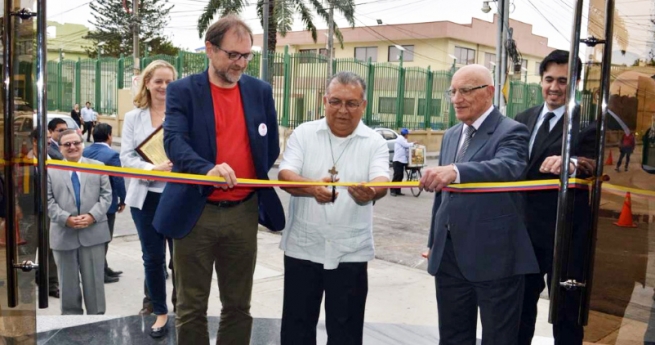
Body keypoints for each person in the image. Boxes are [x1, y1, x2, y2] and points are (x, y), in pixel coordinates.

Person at [152, 15, 284, 344]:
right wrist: (205, 168)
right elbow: (174, 141)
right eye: (233, 55)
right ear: (210, 49)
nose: (240, 63)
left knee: (238, 305)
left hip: (243, 212)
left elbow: (270, 148)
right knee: (191, 305)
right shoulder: (183, 91)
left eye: (246, 55)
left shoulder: (260, 91)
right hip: (195, 211)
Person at [421, 64, 538, 344]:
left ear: (489, 92)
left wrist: (457, 171)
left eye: (465, 91)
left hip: (495, 258)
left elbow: (508, 166)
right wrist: (433, 242)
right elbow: (442, 195)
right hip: (449, 255)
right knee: (453, 335)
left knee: (498, 337)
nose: (456, 99)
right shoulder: (451, 135)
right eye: (453, 91)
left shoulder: (511, 131)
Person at [278, 71, 389, 344]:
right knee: (297, 328)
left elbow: (382, 179)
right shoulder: (304, 133)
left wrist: (370, 192)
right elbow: (285, 175)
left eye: (352, 103)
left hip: (350, 252)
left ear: (364, 106)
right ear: (324, 101)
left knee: (346, 332)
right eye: (336, 102)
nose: (343, 110)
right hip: (303, 248)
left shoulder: (374, 141)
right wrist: (314, 186)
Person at [516, 49, 596, 345]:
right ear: (540, 81)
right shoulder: (523, 118)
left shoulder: (588, 123)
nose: (554, 87)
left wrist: (571, 163)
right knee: (520, 309)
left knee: (566, 316)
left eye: (563, 81)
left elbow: (591, 164)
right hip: (524, 233)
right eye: (549, 79)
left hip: (566, 235)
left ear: (575, 84)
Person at [120, 60, 176, 338]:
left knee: (182, 260)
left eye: (168, 81)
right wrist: (151, 168)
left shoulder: (182, 114)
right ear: (147, 83)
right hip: (146, 198)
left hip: (178, 197)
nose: (164, 87)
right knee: (152, 258)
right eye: (158, 81)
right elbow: (125, 157)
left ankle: (184, 308)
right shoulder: (133, 117)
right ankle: (160, 312)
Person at [47, 129, 111, 315]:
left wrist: (92, 216)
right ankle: (71, 324)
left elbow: (106, 197)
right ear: (59, 148)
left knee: (94, 284)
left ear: (82, 144)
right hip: (63, 234)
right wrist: (65, 218)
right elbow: (47, 200)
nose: (72, 147)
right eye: (67, 144)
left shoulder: (98, 166)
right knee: (68, 285)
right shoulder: (51, 170)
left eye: (76, 143)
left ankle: (97, 322)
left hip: (93, 233)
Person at [83, 123, 126, 284]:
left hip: (88, 202)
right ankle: (99, 273)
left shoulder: (86, 151)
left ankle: (104, 267)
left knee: (95, 238)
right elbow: (118, 178)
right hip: (106, 204)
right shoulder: (111, 155)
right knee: (104, 238)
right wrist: (123, 199)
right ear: (109, 135)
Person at [27, 128, 60, 298]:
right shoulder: (22, 161)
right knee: (29, 249)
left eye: (49, 138)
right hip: (28, 213)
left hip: (49, 211)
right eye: (45, 138)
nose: (49, 141)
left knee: (50, 248)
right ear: (34, 140)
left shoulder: (55, 159)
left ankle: (51, 284)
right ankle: (26, 286)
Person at [390, 128, 412, 196]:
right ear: (405, 134)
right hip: (397, 160)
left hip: (402, 160)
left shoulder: (404, 139)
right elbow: (406, 145)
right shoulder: (400, 139)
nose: (408, 135)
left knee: (401, 176)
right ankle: (392, 190)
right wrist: (413, 143)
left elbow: (406, 149)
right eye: (408, 134)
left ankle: (398, 190)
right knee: (397, 175)